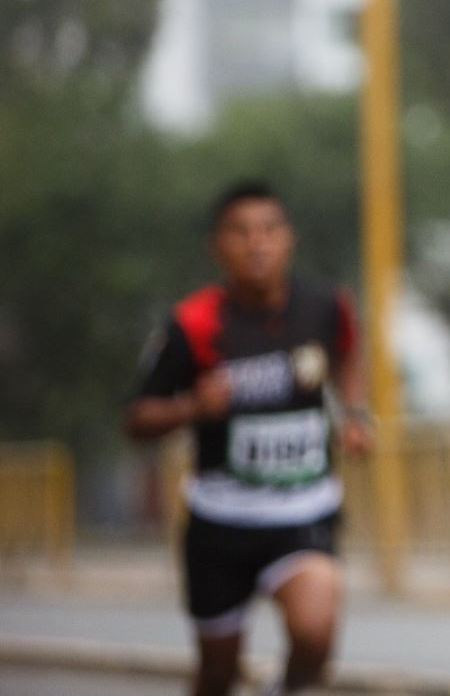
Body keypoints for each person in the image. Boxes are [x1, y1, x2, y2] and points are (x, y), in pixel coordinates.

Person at [126, 181, 370, 696]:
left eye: (269, 230)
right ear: (218, 245)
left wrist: (354, 413)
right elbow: (137, 418)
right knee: (217, 673)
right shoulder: (192, 323)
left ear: (289, 239)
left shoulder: (326, 305)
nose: (257, 244)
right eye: (241, 233)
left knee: (316, 635)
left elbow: (349, 353)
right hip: (221, 518)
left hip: (303, 510)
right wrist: (192, 405)